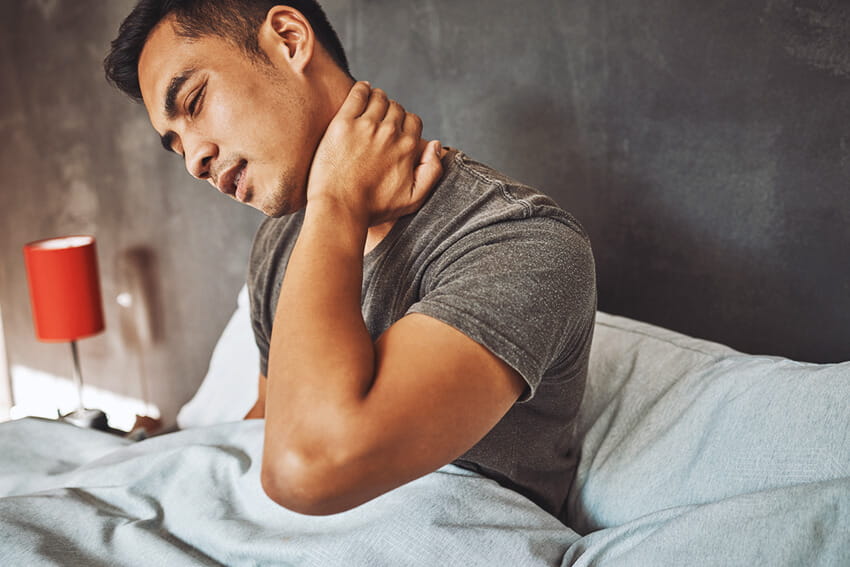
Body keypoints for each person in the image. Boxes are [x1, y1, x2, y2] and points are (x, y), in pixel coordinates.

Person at [104, 0, 597, 521]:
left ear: (291, 39)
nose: (194, 161)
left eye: (196, 101)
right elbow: (268, 427)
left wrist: (338, 203)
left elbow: (308, 465)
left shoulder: (522, 241)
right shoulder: (281, 243)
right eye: (175, 144)